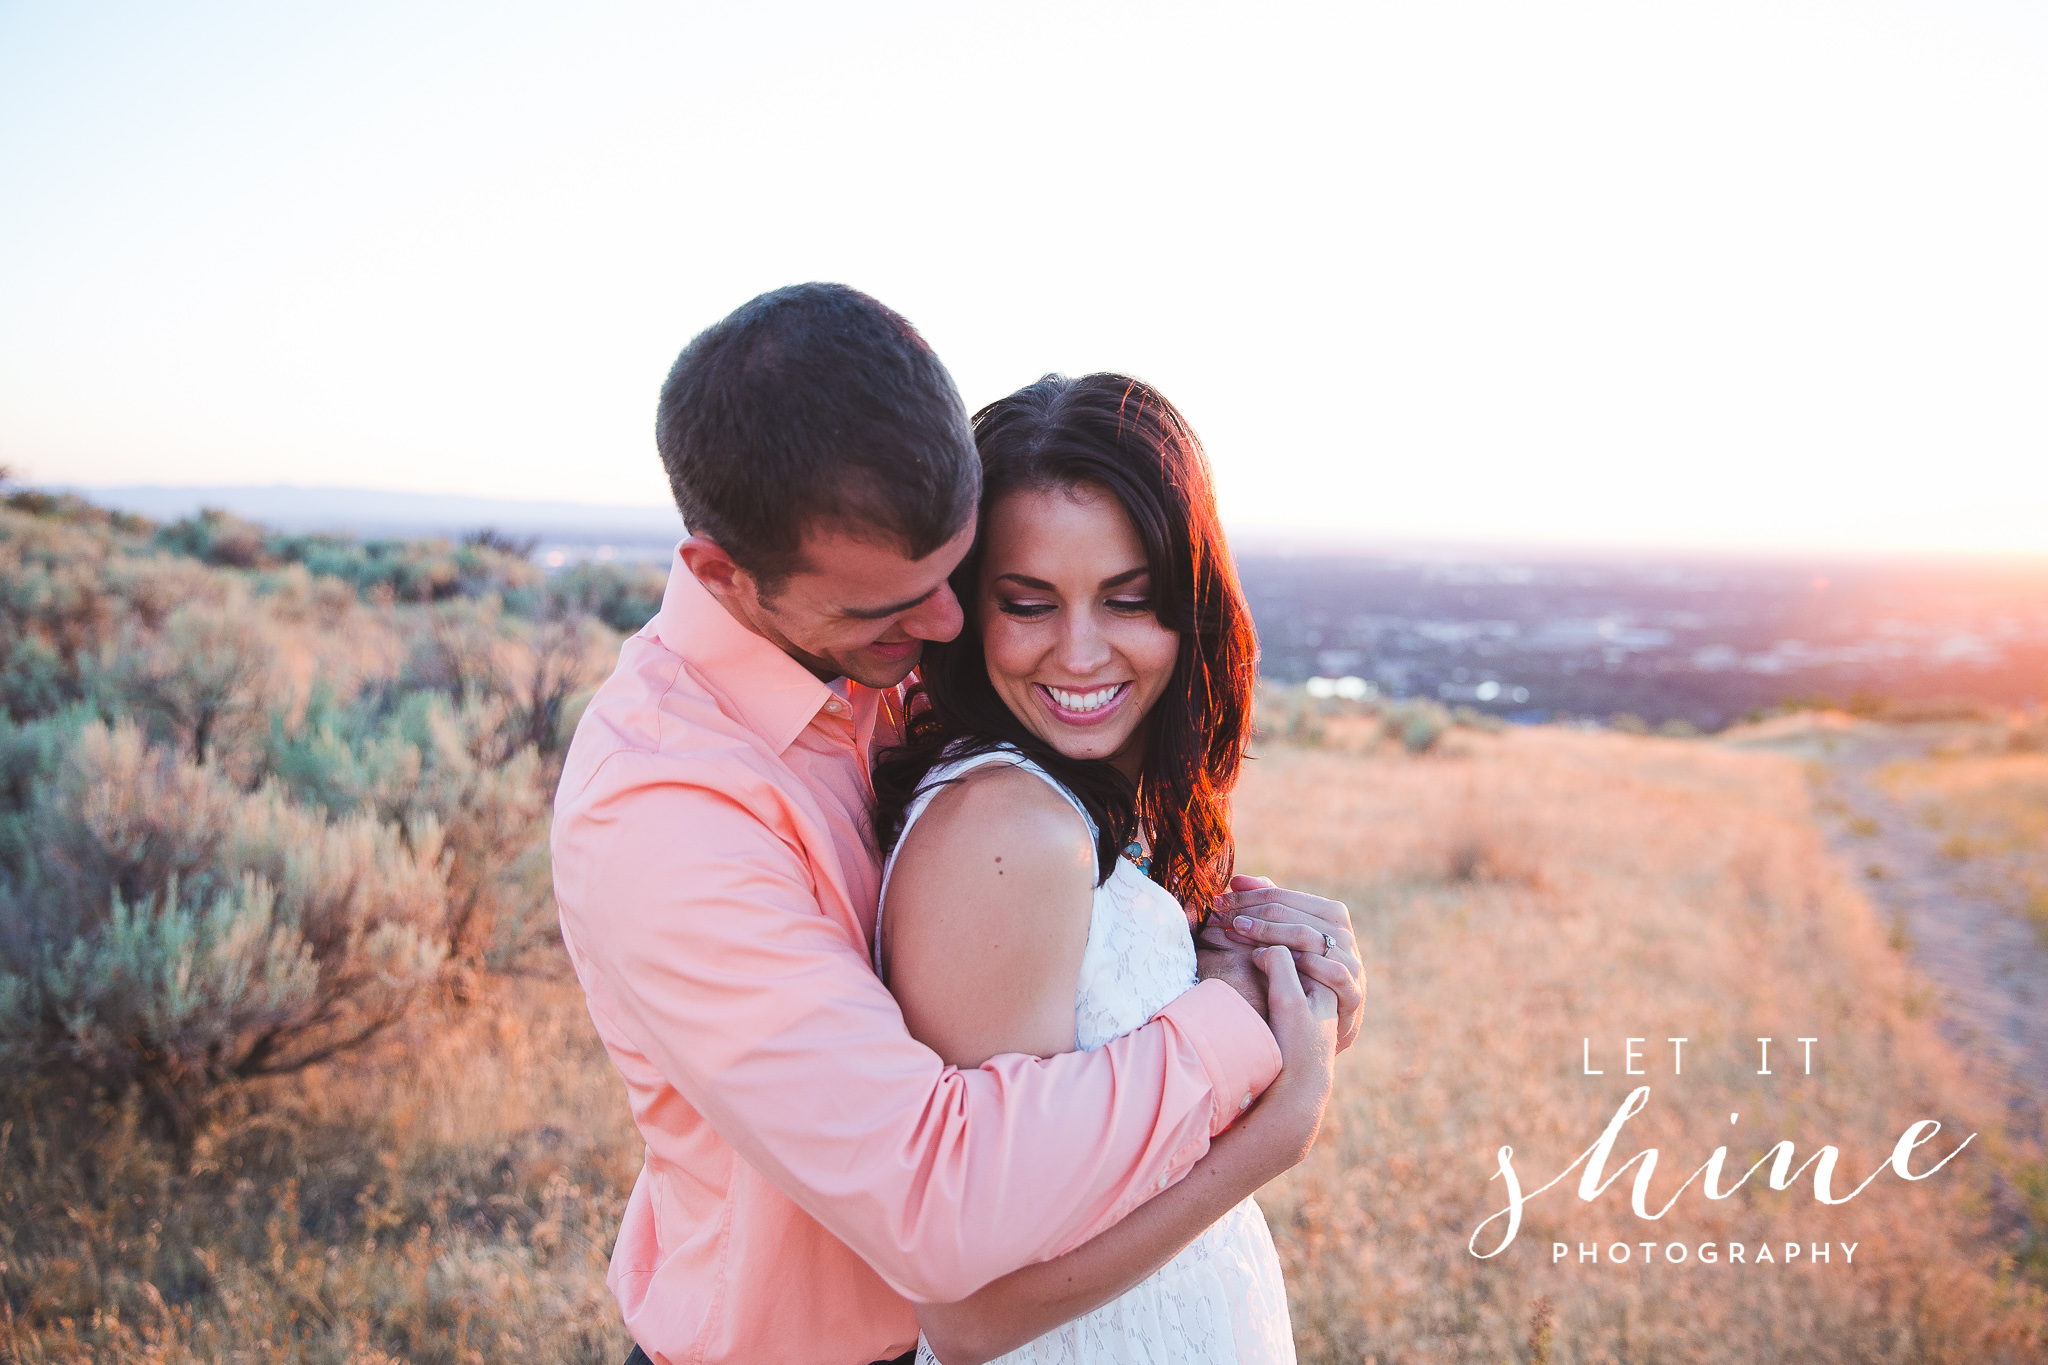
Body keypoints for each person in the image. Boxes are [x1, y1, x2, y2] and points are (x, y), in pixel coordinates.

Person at [552, 283, 1363, 1365]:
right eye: (891, 602)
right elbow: (937, 1212)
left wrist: (1231, 929)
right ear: (723, 577)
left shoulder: (885, 648)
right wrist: (1242, 1048)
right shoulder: (661, 811)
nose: (944, 628)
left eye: (958, 576)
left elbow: (1057, 873)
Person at [872, 374, 1356, 1364]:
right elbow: (966, 1312)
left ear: (1190, 608)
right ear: (968, 607)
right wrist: (1269, 1138)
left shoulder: (1092, 809)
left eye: (1128, 601)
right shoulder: (1009, 831)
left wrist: (1282, 984)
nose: (1081, 652)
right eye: (1028, 602)